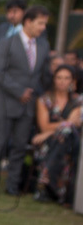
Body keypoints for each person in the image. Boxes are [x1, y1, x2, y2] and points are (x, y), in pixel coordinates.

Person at [0, 4, 51, 196]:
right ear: (28, 22)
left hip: (28, 106)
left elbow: (43, 75)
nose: (43, 28)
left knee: (20, 147)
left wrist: (39, 93)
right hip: (5, 103)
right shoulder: (6, 42)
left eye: (45, 24)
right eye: (40, 23)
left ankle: (12, 186)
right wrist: (19, 91)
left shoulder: (43, 45)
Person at [31, 65, 82, 203]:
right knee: (64, 132)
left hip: (72, 142)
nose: (62, 81)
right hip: (51, 143)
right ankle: (52, 188)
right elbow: (44, 126)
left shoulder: (78, 101)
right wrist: (63, 125)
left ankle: (45, 182)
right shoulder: (44, 100)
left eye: (66, 78)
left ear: (72, 81)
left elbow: (73, 124)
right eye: (59, 78)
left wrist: (48, 133)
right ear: (54, 79)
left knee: (66, 132)